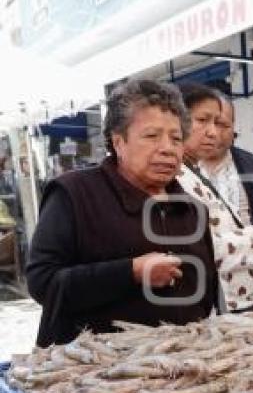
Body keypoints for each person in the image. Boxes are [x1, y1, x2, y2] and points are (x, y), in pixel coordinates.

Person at [26, 79, 218, 346]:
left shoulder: (193, 209)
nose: (167, 148)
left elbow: (206, 295)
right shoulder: (74, 193)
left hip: (179, 370)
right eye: (151, 136)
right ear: (118, 142)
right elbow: (42, 283)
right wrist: (130, 272)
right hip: (91, 374)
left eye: (176, 138)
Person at [176, 83, 253, 312]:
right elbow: (188, 250)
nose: (213, 132)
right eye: (202, 120)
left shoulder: (251, 165)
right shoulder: (172, 175)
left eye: (221, 124)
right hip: (205, 296)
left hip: (247, 289)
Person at [199, 93, 253, 226]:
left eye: (222, 124)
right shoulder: (176, 170)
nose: (213, 133)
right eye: (204, 122)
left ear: (233, 127)